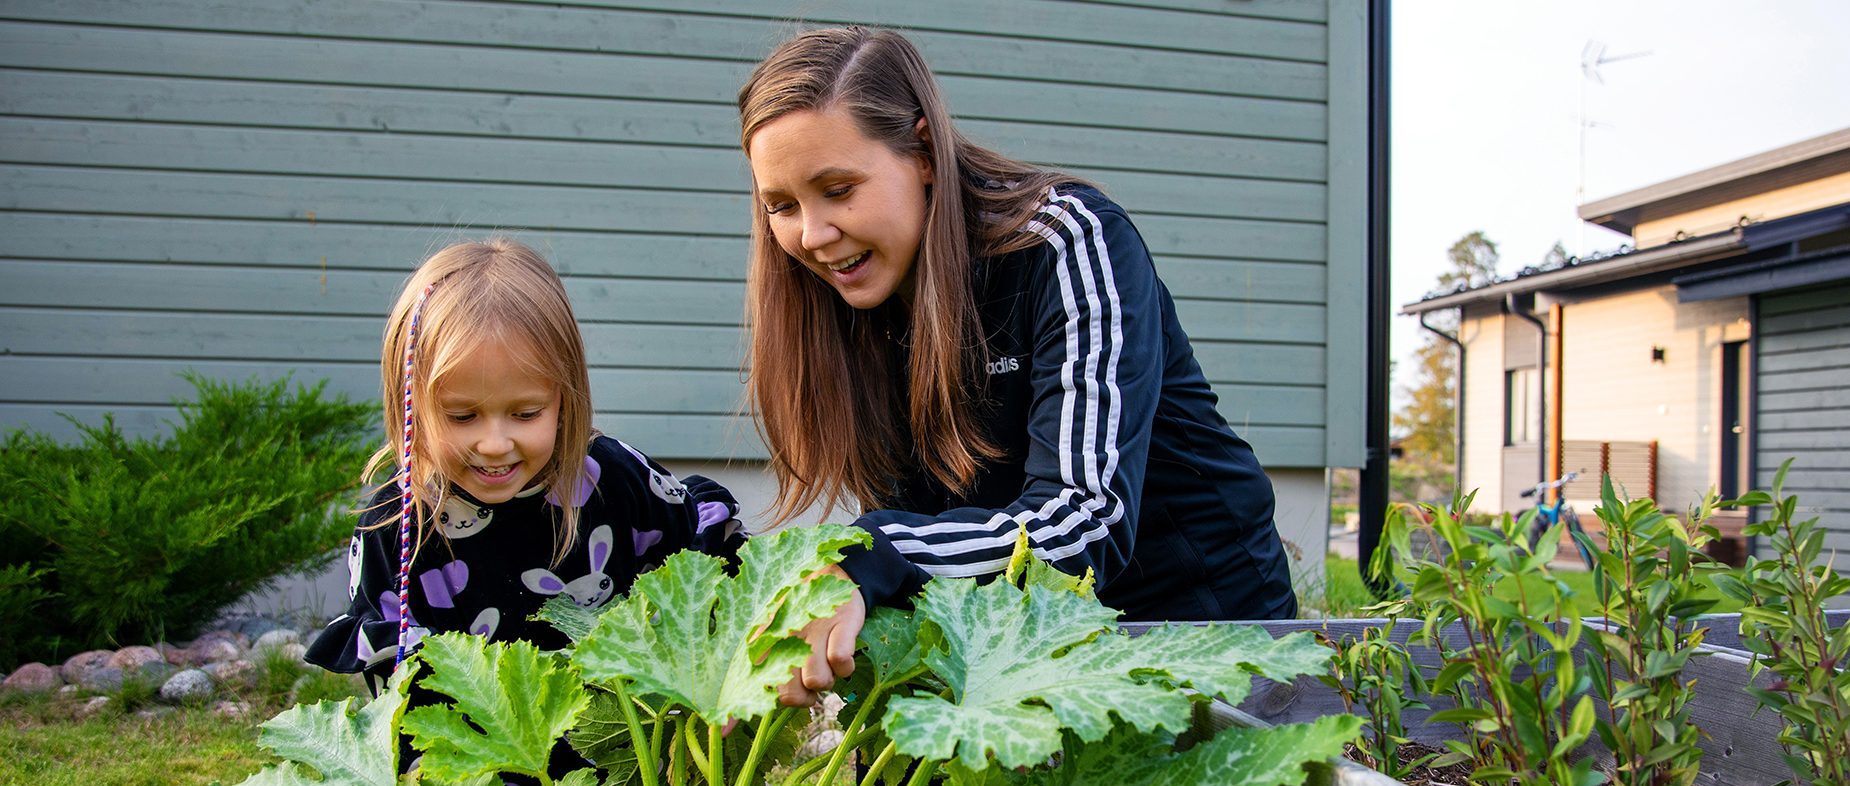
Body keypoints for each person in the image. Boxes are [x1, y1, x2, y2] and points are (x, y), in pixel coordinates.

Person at [737, 26, 1298, 705]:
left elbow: (1083, 524)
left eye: (838, 188)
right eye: (783, 206)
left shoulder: (1065, 242)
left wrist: (870, 557)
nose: (814, 234)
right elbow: (914, 533)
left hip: (1193, 631)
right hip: (1017, 651)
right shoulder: (845, 298)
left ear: (921, 151)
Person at [304, 239, 745, 694]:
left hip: (622, 750)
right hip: (471, 756)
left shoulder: (609, 478)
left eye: (526, 414)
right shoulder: (396, 523)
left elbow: (709, 568)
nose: (495, 444)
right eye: (462, 416)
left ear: (564, 396)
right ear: (410, 404)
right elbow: (396, 685)